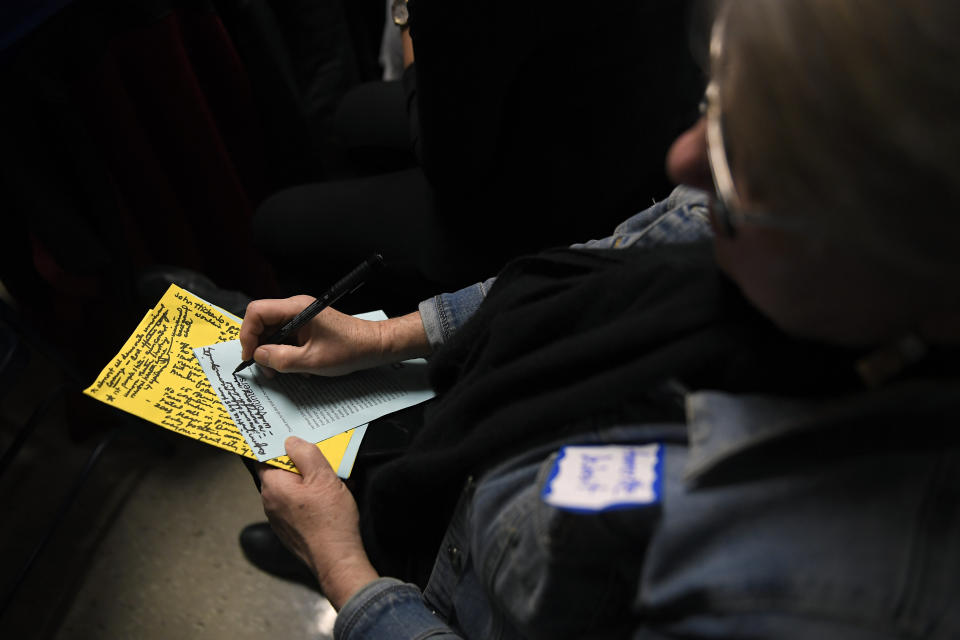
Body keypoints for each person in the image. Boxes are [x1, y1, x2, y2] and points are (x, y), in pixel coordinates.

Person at [242, 0, 960, 637]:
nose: (685, 164)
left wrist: (347, 575)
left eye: (743, 168)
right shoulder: (814, 226)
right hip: (460, 499)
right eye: (717, 101)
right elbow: (624, 251)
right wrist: (386, 334)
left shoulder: (804, 596)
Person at [249, 0, 707, 314]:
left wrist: (409, 27)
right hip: (633, 122)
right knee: (353, 115)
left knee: (274, 220)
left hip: (557, 213)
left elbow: (452, 172)